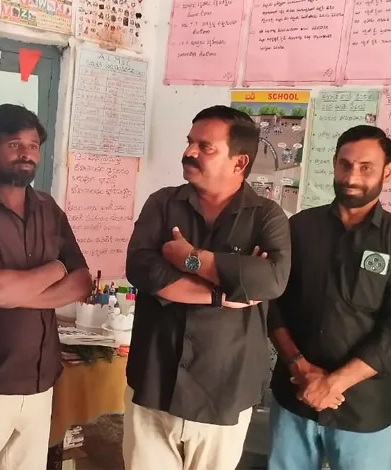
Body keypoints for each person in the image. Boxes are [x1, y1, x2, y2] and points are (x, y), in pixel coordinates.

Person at [124, 105, 291, 470]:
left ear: (239, 161)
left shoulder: (267, 216)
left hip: (223, 390)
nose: (189, 152)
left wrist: (189, 258)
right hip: (154, 381)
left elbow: (270, 280)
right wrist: (221, 292)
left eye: (205, 147)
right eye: (190, 142)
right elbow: (141, 270)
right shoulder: (163, 203)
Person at [267, 125, 391, 470]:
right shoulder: (300, 228)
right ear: (334, 164)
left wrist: (332, 384)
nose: (352, 176)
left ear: (388, 171)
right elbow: (274, 304)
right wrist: (299, 366)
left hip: (363, 411)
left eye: (366, 167)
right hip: (295, 396)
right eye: (345, 164)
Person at [0, 104, 92, 470]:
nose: (26, 153)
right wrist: (56, 268)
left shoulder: (49, 209)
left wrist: (18, 294)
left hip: (39, 382)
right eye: (14, 144)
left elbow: (83, 281)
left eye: (33, 145)